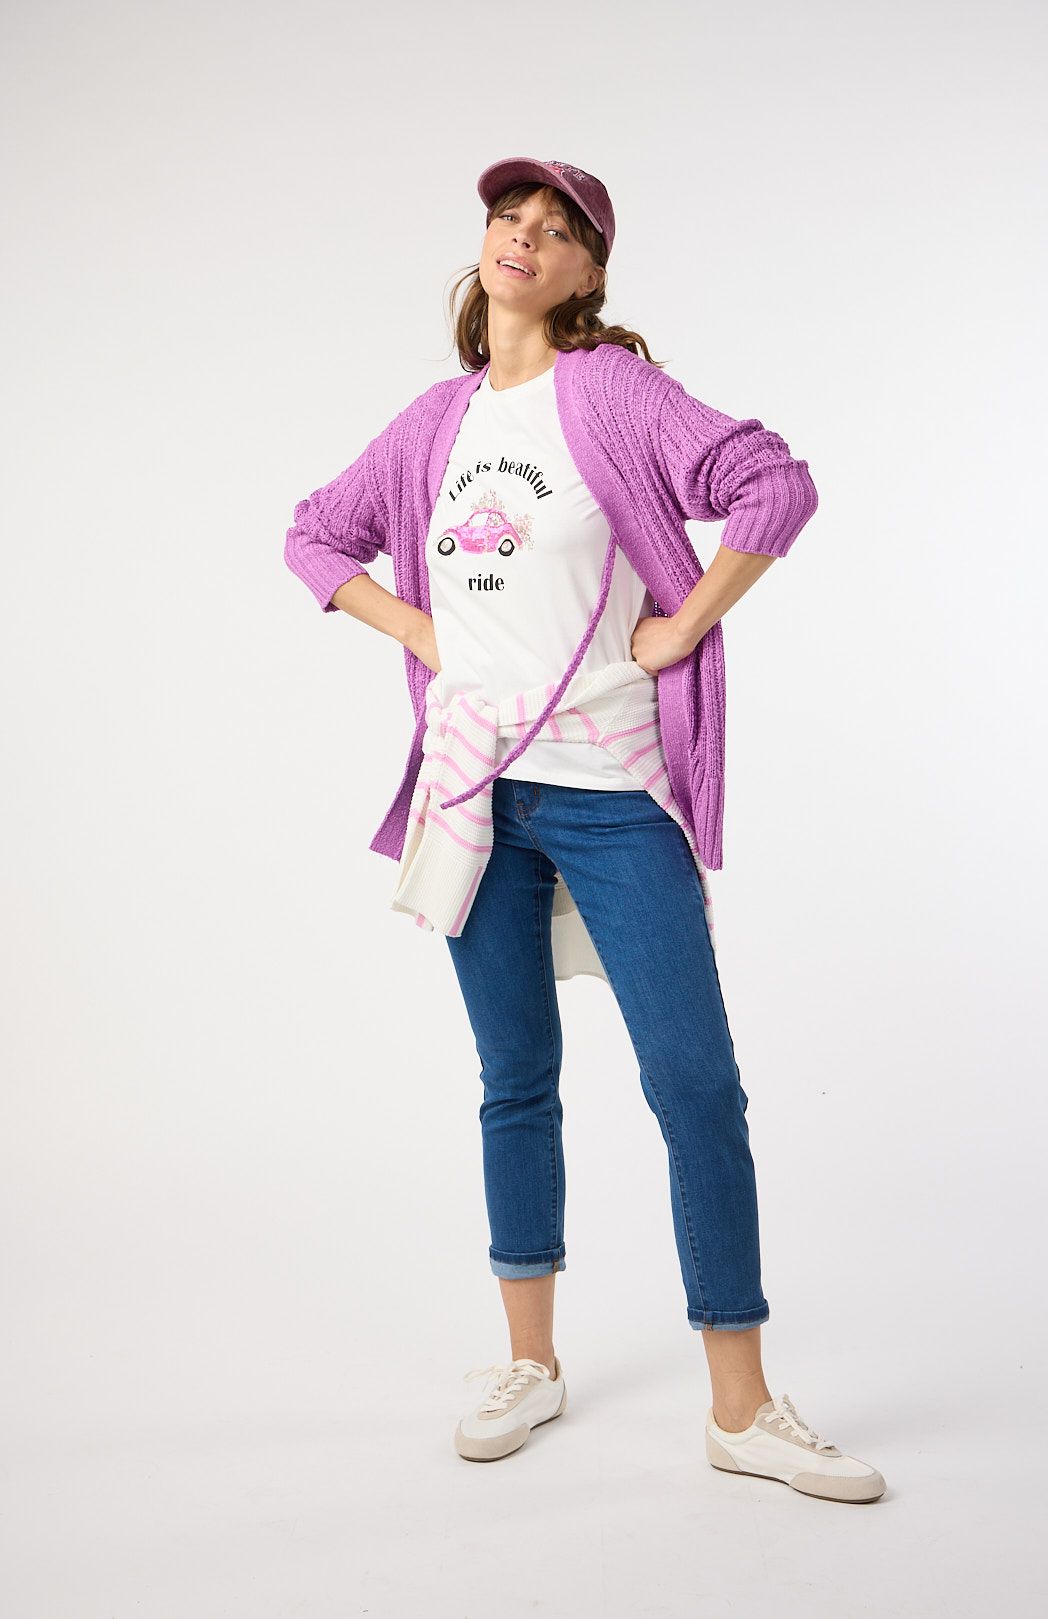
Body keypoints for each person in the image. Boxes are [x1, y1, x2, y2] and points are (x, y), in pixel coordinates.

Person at [284, 156, 885, 1503]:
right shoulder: (434, 422)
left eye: (558, 230)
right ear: (485, 243)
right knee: (516, 1078)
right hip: (473, 792)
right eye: (511, 218)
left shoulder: (608, 392)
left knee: (694, 1085)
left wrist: (685, 622)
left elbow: (773, 484)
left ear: (586, 274)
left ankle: (742, 1406)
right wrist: (419, 628)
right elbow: (315, 538)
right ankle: (530, 1363)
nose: (526, 238)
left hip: (611, 791)